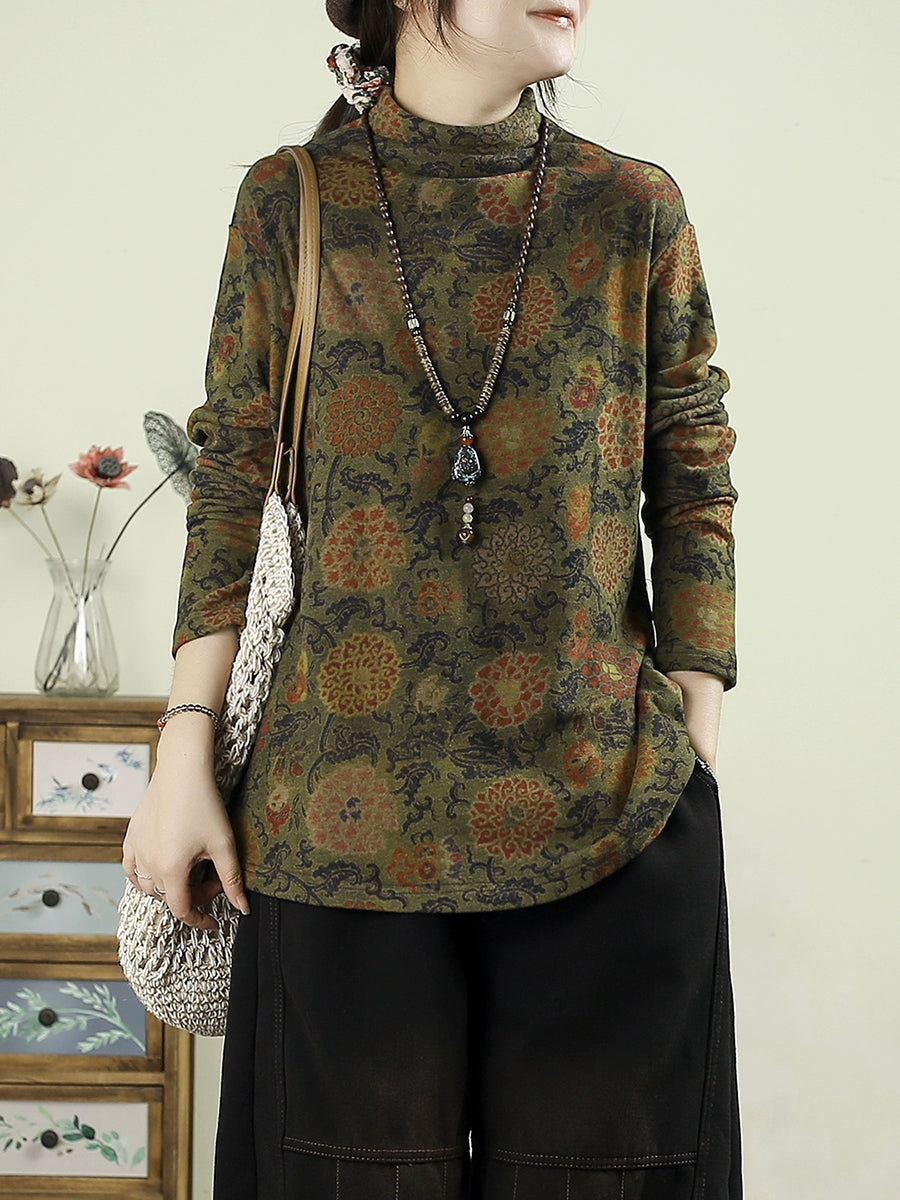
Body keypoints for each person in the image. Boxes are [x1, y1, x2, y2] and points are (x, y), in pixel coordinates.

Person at [122, 1, 742, 1196]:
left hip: (613, 814)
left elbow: (694, 466)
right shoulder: (291, 201)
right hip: (333, 827)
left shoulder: (632, 207)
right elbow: (234, 483)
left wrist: (692, 746)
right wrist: (181, 756)